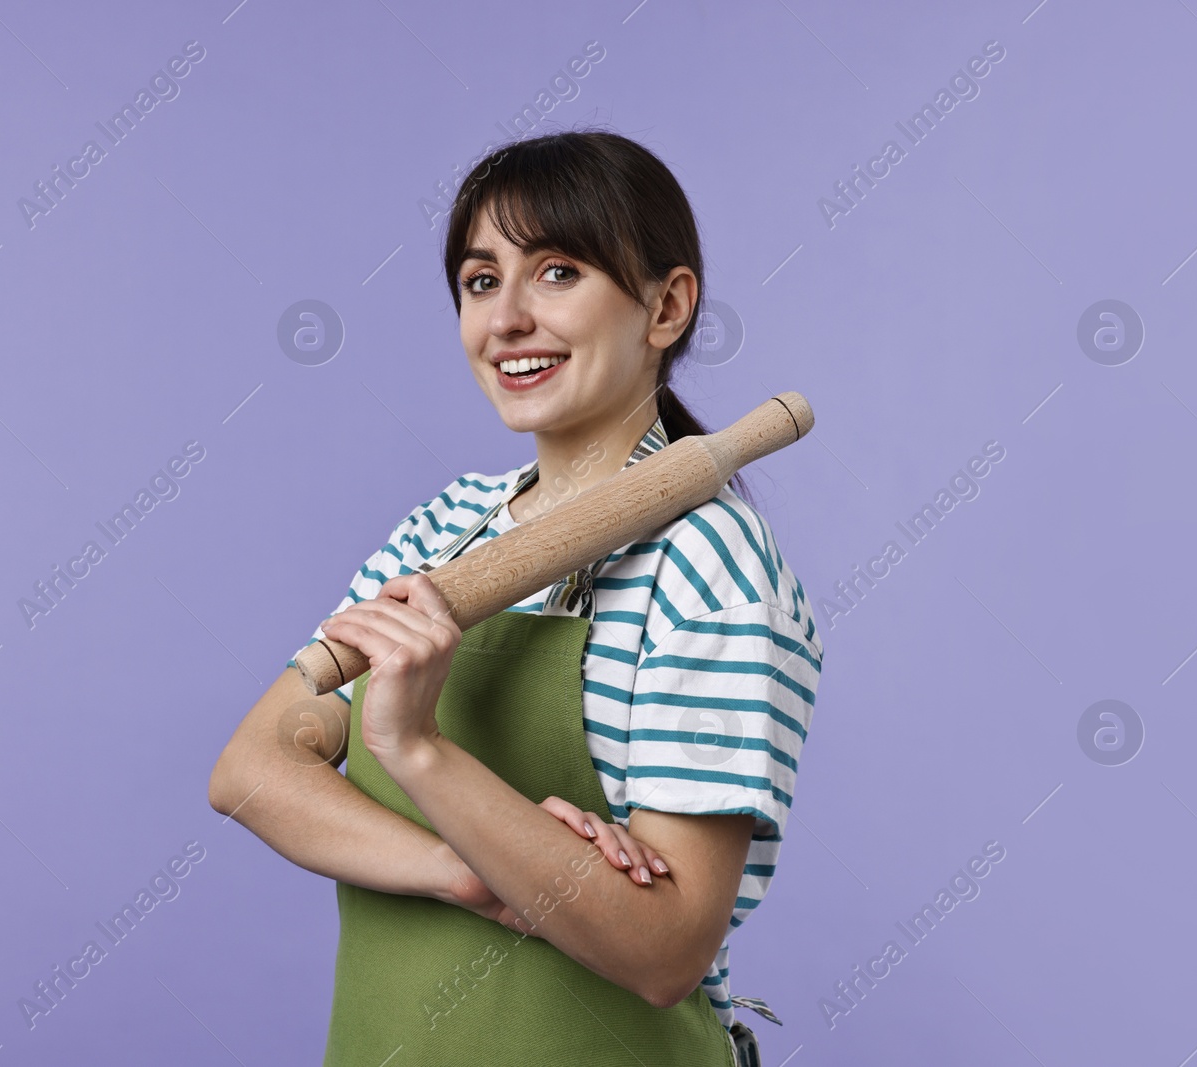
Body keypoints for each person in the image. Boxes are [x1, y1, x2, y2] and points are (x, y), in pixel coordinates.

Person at [209, 128, 823, 1067]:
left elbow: (664, 950)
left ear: (667, 306)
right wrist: (475, 869)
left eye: (559, 272)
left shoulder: (711, 565)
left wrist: (415, 751)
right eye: (481, 280)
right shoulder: (448, 527)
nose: (506, 320)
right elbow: (250, 772)